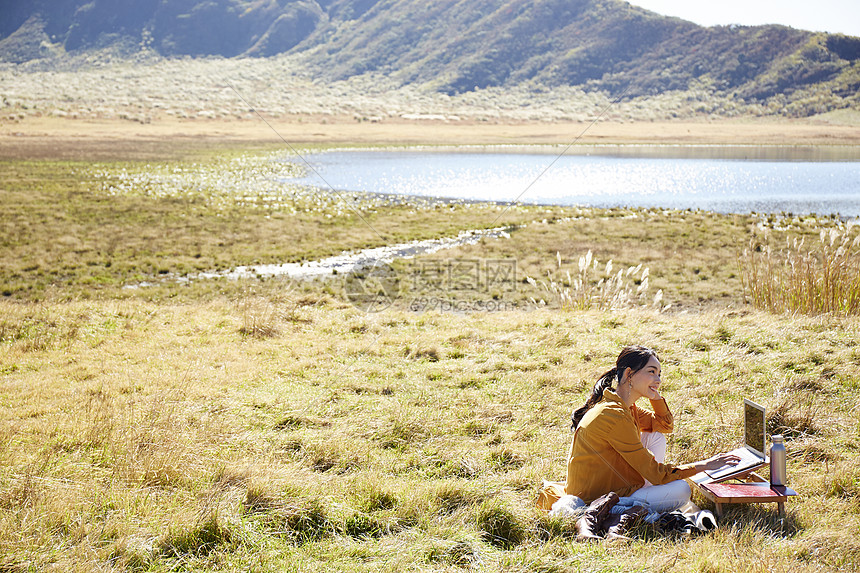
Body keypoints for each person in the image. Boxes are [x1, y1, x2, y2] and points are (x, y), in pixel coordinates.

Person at [561, 345, 739, 538]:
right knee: (683, 490)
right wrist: (705, 465)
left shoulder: (625, 408)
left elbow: (664, 426)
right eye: (652, 372)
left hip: (603, 484)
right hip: (596, 496)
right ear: (629, 374)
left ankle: (647, 494)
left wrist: (655, 397)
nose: (658, 380)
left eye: (659, 374)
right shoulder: (615, 416)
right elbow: (656, 474)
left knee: (655, 436)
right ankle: (626, 506)